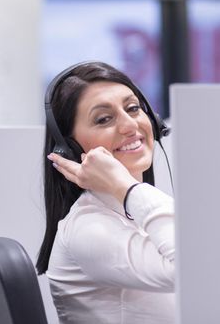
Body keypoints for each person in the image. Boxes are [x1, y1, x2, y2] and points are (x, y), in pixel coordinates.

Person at [36, 61, 174, 324]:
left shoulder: (135, 211)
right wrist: (126, 187)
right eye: (104, 119)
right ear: (70, 147)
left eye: (133, 108)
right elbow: (197, 268)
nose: (129, 125)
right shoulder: (88, 229)